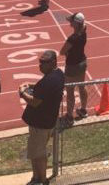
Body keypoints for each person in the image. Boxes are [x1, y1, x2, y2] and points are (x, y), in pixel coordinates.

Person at [19, 51, 65, 185]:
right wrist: (33, 85)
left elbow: (35, 102)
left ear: (53, 62)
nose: (40, 65)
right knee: (36, 152)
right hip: (48, 122)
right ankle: (36, 178)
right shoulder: (58, 75)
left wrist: (22, 92)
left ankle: (42, 180)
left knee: (39, 154)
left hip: (40, 124)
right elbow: (44, 88)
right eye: (40, 62)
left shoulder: (49, 80)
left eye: (44, 63)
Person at [60, 13, 89, 121]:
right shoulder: (84, 31)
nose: (70, 23)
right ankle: (83, 109)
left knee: (70, 90)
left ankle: (69, 116)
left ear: (76, 24)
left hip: (72, 66)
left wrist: (67, 52)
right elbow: (83, 24)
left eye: (71, 22)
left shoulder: (72, 38)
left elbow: (62, 52)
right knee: (82, 86)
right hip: (82, 62)